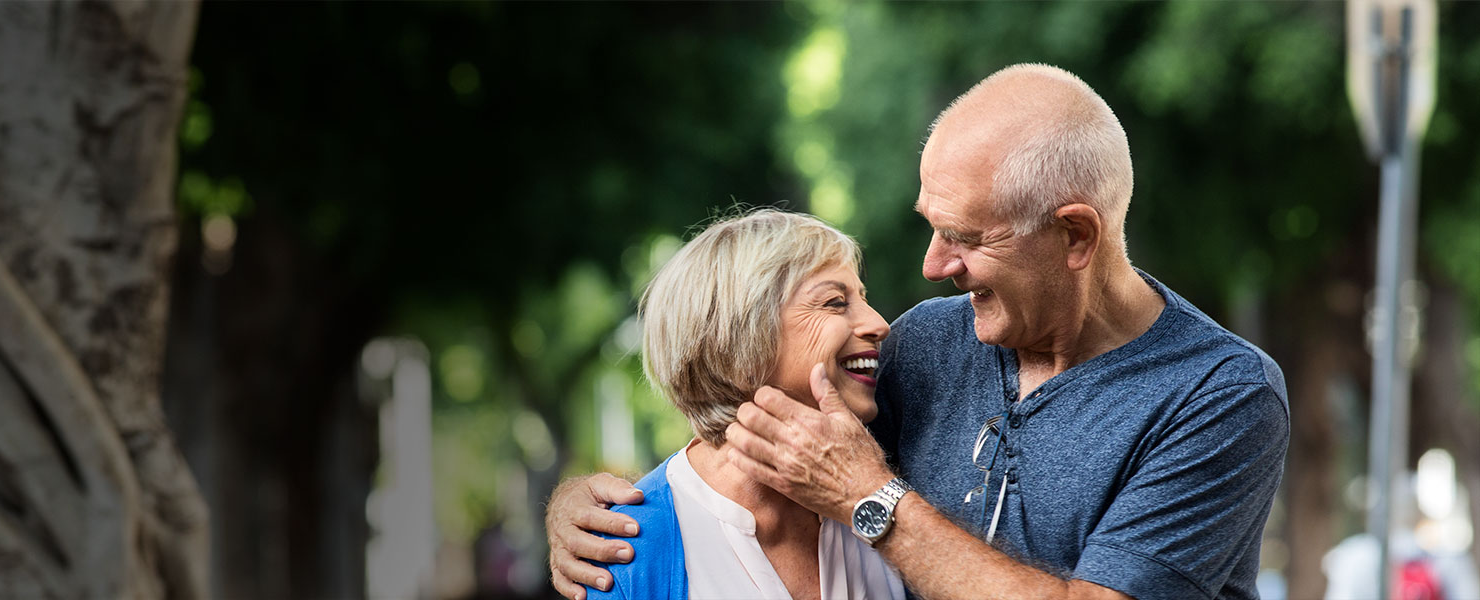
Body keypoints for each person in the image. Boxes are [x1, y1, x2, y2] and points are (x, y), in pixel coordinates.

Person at [548, 63, 1290, 600]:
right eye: (932, 229)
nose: (934, 267)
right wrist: (585, 507)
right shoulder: (927, 344)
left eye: (965, 237)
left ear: (1073, 235)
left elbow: (847, 484)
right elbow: (752, 433)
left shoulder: (1218, 395)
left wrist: (871, 498)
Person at [582, 209, 906, 599]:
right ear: (741, 339)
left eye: (862, 298)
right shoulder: (628, 552)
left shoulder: (897, 469)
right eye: (835, 303)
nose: (879, 323)